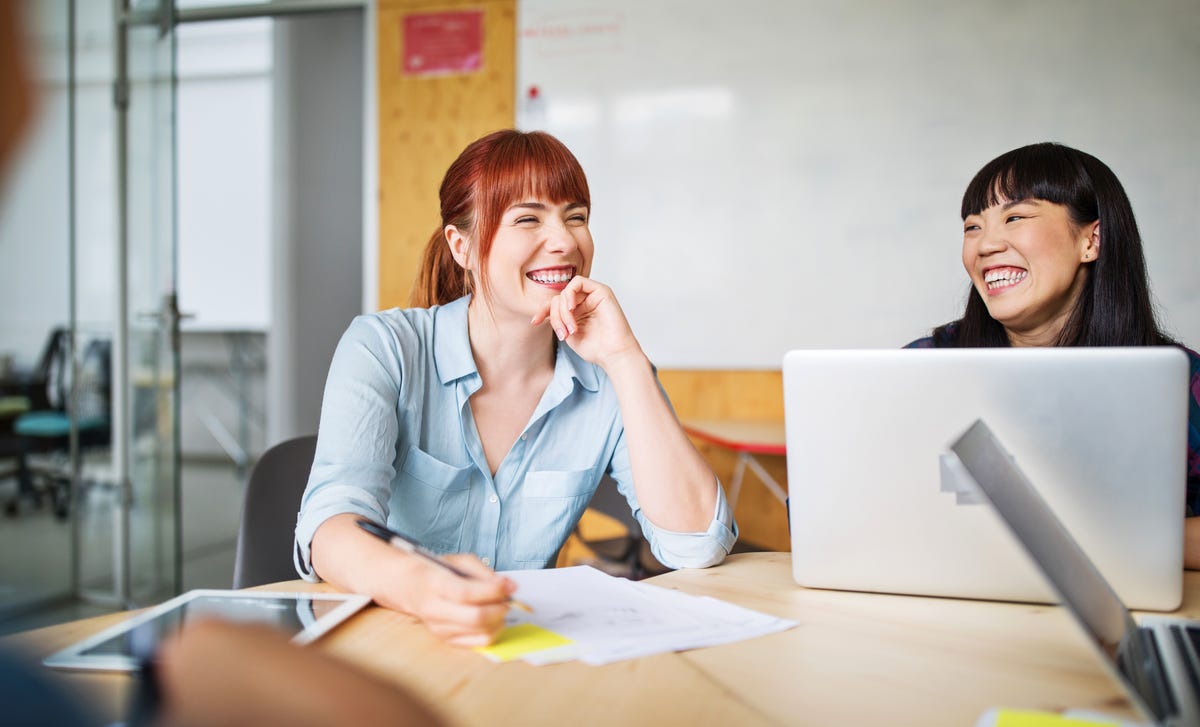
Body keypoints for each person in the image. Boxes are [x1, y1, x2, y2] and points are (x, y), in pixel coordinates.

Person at [294, 129, 737, 646]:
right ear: (461, 247)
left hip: (522, 654)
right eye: (528, 219)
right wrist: (423, 588)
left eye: (576, 217)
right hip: (397, 645)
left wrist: (625, 359)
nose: (566, 241)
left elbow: (696, 545)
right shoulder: (384, 348)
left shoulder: (609, 373)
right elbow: (331, 527)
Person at [907, 141, 1200, 568]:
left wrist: (1077, 538)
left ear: (1091, 240)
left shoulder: (1183, 382)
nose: (985, 245)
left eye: (1015, 217)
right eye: (973, 227)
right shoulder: (926, 366)